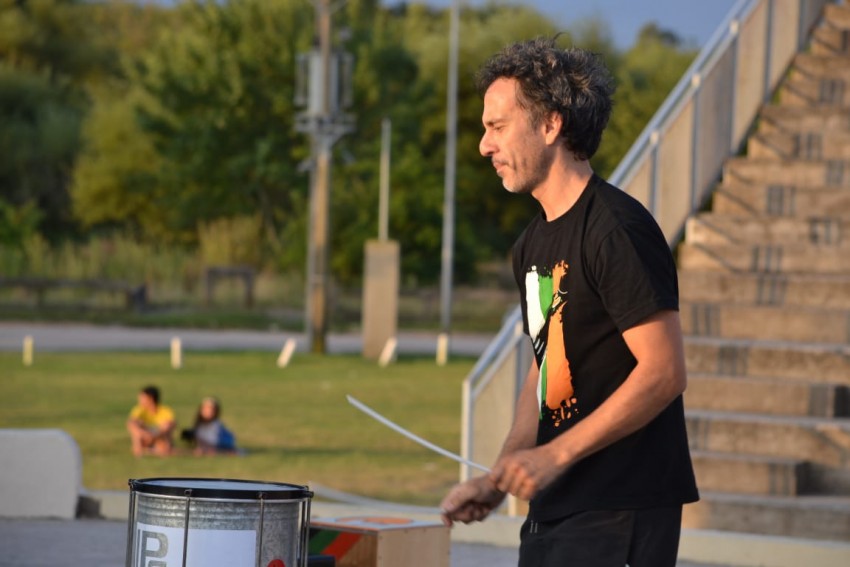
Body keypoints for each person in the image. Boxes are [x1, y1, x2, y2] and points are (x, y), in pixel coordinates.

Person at [439, 38, 699, 567]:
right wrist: (502, 474)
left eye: (497, 126)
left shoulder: (617, 230)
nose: (483, 146)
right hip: (555, 509)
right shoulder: (530, 245)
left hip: (620, 510)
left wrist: (554, 456)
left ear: (551, 125)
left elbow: (664, 372)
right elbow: (546, 369)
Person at [126, 385, 176, 457]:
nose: (140, 400)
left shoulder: (165, 410)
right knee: (134, 425)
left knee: (166, 425)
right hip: (145, 435)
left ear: (151, 398)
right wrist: (145, 434)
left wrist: (154, 436)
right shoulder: (139, 410)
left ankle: (155, 450)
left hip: (159, 436)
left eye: (142, 398)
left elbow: (170, 425)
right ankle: (139, 450)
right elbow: (132, 422)